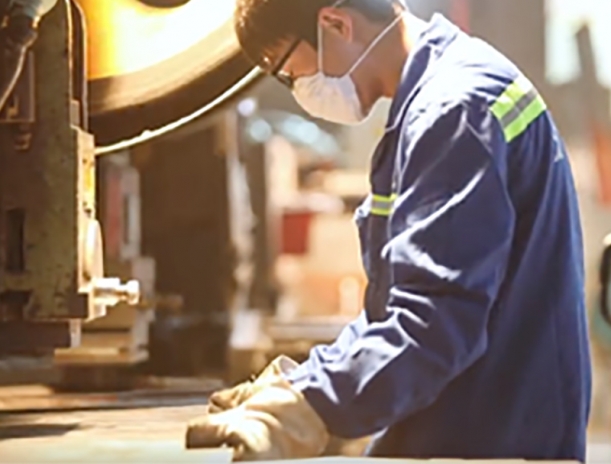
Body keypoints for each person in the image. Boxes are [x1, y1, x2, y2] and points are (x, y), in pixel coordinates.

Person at [185, 0, 592, 461]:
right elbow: (399, 305)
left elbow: (432, 325)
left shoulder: (452, 110)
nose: (298, 87)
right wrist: (302, 383)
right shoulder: (439, 93)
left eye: (288, 71)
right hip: (477, 423)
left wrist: (303, 408)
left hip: (492, 439)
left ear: (335, 24)